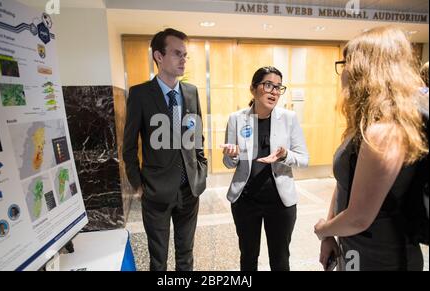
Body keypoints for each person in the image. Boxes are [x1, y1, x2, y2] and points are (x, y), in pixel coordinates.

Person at [314, 26, 428, 271]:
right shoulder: (369, 123)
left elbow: (358, 218)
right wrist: (331, 236)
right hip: (354, 247)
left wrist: (323, 228)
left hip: (382, 256)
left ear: (363, 68)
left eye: (345, 63)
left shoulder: (385, 131)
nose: (342, 71)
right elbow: (345, 182)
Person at [123, 28, 207, 271]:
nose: (183, 60)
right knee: (158, 259)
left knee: (186, 255)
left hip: (189, 190)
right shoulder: (140, 94)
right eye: (177, 54)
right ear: (159, 56)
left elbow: (196, 137)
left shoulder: (190, 92)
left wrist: (201, 169)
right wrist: (138, 185)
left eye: (185, 55)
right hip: (156, 192)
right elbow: (129, 146)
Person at [222, 66, 309, 271]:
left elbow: (304, 159)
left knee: (280, 260)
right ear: (253, 89)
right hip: (245, 201)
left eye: (278, 87)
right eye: (268, 85)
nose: (274, 92)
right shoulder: (236, 119)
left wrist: (285, 155)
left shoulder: (288, 118)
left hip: (280, 202)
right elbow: (229, 163)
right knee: (248, 257)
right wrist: (231, 156)